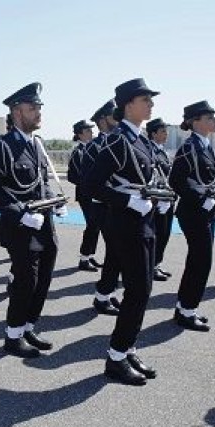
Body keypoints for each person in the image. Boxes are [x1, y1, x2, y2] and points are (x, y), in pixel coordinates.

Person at [84, 78, 161, 385]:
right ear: (129, 104)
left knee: (143, 290)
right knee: (138, 291)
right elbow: (91, 186)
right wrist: (127, 200)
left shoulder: (140, 140)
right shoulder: (118, 141)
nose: (151, 105)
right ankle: (116, 358)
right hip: (126, 224)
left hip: (144, 221)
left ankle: (126, 349)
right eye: (146, 100)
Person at [0, 82, 66, 358]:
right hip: (21, 226)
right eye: (33, 108)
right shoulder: (2, 147)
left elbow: (39, 183)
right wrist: (21, 213)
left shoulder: (37, 145)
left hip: (44, 224)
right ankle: (13, 335)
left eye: (39, 107)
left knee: (43, 279)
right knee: (25, 282)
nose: (39, 113)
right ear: (17, 112)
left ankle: (28, 327)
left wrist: (54, 202)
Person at [169, 101, 215, 332]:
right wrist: (202, 197)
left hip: (205, 210)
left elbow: (209, 177)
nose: (214, 121)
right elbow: (177, 180)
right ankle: (186, 311)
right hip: (193, 212)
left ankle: (185, 307)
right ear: (195, 121)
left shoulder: (205, 145)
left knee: (197, 261)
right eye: (209, 117)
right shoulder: (190, 146)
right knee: (201, 261)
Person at [81, 100, 120, 315]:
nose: (118, 117)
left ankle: (108, 292)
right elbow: (90, 182)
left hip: (118, 205)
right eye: (113, 115)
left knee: (117, 253)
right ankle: (103, 295)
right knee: (114, 251)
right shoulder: (94, 147)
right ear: (103, 120)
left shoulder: (118, 141)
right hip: (104, 206)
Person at [67, 119, 100, 271]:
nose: (91, 133)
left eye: (91, 130)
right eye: (87, 131)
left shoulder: (93, 148)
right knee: (92, 225)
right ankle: (84, 258)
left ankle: (90, 255)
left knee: (96, 226)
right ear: (80, 135)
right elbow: (72, 176)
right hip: (85, 195)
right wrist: (87, 183)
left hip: (95, 194)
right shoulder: (78, 152)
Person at [146, 118, 174, 281]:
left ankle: (156, 264)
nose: (166, 134)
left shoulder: (162, 151)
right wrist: (158, 198)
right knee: (156, 234)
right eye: (163, 131)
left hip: (167, 198)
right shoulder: (150, 151)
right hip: (156, 201)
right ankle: (151, 266)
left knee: (164, 234)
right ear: (153, 133)